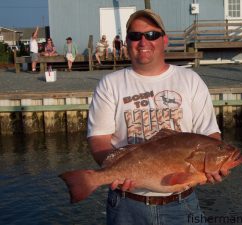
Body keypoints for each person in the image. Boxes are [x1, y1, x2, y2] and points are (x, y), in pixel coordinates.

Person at [88, 9, 228, 225]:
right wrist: (113, 172)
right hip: (127, 206)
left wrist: (214, 166)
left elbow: (210, 134)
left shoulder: (190, 80)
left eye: (151, 35)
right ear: (127, 42)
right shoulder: (110, 84)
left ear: (165, 40)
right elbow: (98, 139)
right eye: (136, 36)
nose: (143, 41)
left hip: (182, 206)